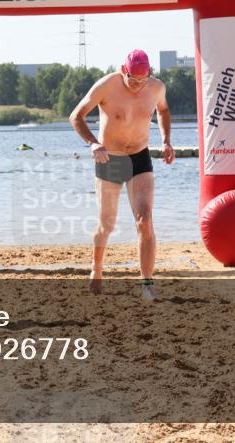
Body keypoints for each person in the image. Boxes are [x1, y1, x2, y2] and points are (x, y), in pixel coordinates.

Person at [69, 49, 175, 301]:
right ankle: (96, 268)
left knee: (145, 219)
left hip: (139, 155)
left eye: (143, 80)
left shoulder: (156, 87)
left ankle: (147, 282)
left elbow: (164, 111)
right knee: (107, 224)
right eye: (133, 80)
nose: (139, 86)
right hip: (110, 157)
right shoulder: (107, 85)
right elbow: (76, 116)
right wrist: (93, 143)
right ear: (122, 70)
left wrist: (167, 140)